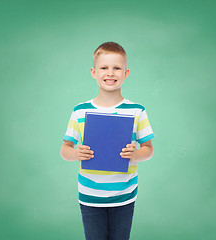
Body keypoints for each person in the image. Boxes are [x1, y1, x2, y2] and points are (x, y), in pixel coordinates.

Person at [60, 41, 155, 240]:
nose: (110, 73)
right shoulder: (80, 110)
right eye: (104, 68)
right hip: (90, 195)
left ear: (125, 73)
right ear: (94, 72)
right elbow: (65, 149)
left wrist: (136, 154)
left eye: (116, 68)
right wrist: (75, 153)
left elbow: (148, 149)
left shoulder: (137, 110)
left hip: (125, 194)